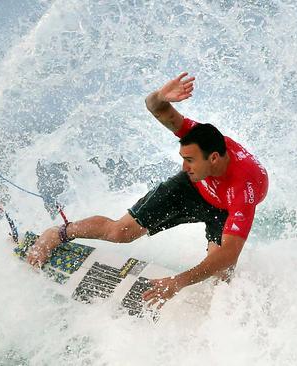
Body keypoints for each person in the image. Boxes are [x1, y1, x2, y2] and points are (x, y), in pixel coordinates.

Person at [27, 72, 268, 308]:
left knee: (221, 274)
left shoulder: (242, 189)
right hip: (190, 190)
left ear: (214, 158)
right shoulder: (200, 139)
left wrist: (178, 282)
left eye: (190, 160)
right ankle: (58, 233)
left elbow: (229, 253)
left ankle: (207, 317)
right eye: (183, 158)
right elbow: (157, 108)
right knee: (121, 231)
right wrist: (160, 96)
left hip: (223, 209)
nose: (184, 166)